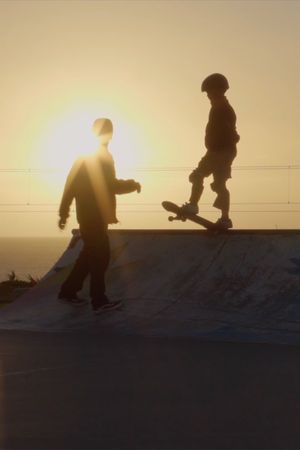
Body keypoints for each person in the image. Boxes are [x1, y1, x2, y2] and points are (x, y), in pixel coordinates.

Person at [57, 118, 141, 314]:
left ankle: (68, 291)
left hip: (88, 216)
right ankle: (99, 301)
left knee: (88, 255)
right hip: (94, 216)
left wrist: (64, 212)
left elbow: (69, 186)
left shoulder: (83, 156)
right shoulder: (101, 157)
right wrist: (132, 184)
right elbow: (108, 185)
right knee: (100, 256)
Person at [181, 73, 240, 229]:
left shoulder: (221, 108)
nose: (208, 96)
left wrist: (221, 142)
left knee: (197, 175)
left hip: (218, 151)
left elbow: (229, 131)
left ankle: (193, 204)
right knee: (220, 185)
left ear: (218, 90)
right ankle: (225, 218)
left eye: (209, 92)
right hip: (227, 152)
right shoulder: (223, 107)